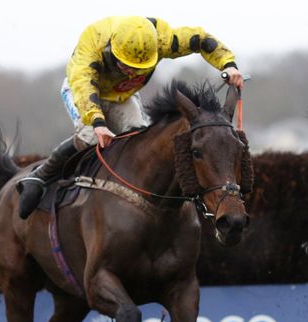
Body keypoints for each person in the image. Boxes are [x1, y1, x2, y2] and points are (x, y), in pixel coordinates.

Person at [17, 16, 245, 219]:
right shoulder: (92, 45)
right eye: (126, 66)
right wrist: (98, 122)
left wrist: (229, 65)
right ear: (113, 52)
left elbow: (202, 40)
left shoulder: (163, 39)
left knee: (139, 135)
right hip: (84, 91)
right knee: (90, 137)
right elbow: (83, 87)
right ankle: (40, 176)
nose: (133, 73)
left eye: (139, 68)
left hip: (120, 96)